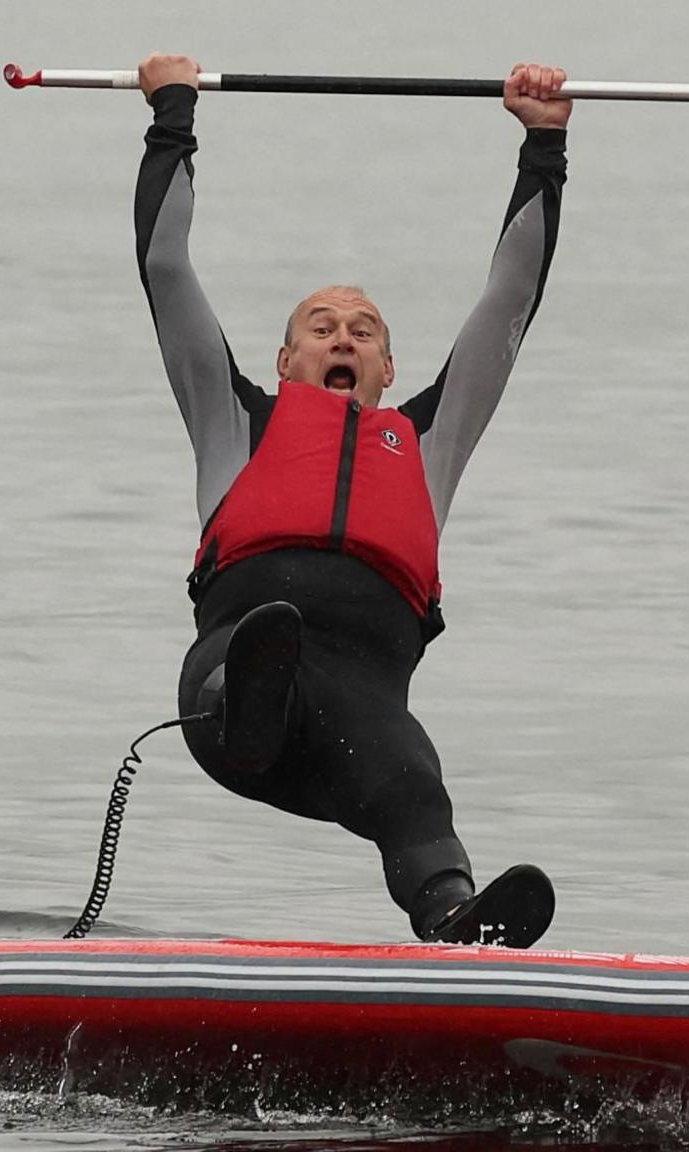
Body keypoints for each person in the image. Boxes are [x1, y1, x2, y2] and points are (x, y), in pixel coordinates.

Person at [132, 52, 570, 947]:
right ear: (287, 362)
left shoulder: (427, 442)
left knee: (413, 776)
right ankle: (255, 706)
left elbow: (509, 299)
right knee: (267, 652)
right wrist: (173, 113)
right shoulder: (234, 418)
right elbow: (166, 269)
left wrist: (544, 143)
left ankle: (453, 920)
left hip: (355, 722)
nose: (344, 337)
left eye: (363, 330)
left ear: (387, 367)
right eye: (321, 328)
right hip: (228, 695)